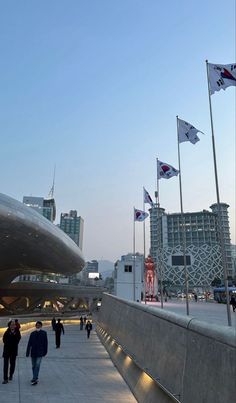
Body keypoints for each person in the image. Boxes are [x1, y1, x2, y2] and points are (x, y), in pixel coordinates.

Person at [26, 321, 48, 385]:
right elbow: (29, 343)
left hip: (40, 352)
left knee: (37, 365)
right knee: (33, 366)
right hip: (33, 352)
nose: (38, 326)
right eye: (37, 325)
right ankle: (35, 377)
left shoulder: (44, 333)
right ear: (35, 326)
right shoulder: (32, 333)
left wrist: (45, 351)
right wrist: (27, 352)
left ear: (41, 326)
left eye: (39, 325)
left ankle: (34, 378)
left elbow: (45, 343)